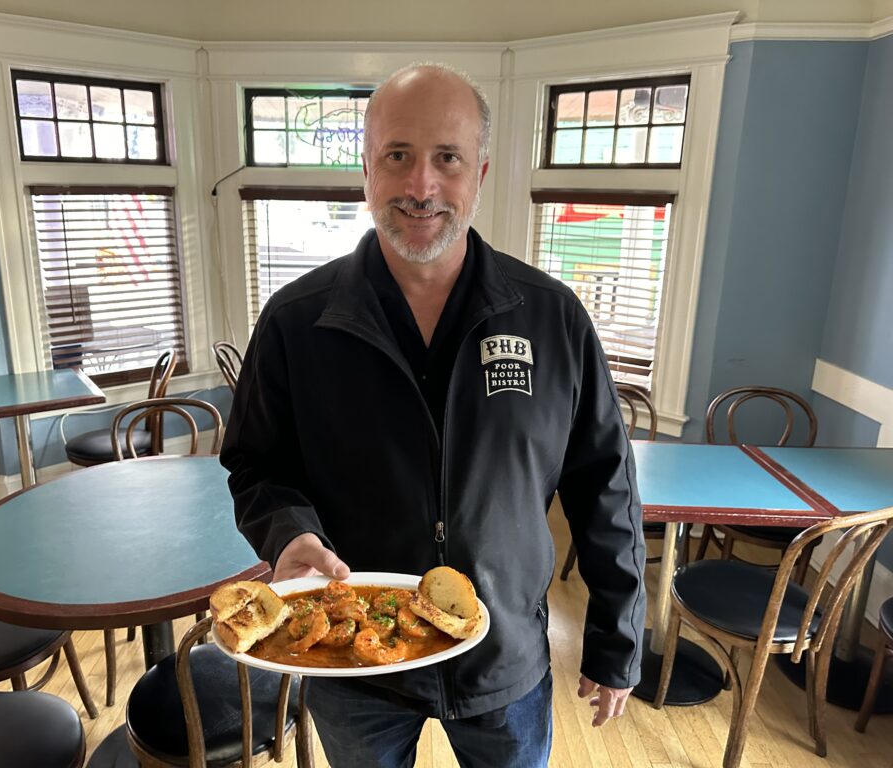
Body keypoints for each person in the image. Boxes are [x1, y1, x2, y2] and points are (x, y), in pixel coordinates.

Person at [221, 62, 646, 768]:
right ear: (367, 172)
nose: (421, 186)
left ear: (478, 173)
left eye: (446, 158)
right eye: (398, 157)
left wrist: (617, 641)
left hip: (504, 659)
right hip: (351, 661)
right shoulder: (297, 323)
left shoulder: (551, 318)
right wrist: (289, 531)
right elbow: (256, 465)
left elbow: (606, 486)